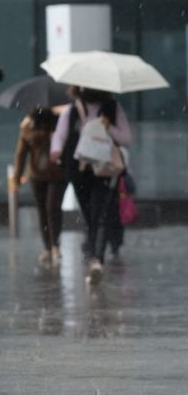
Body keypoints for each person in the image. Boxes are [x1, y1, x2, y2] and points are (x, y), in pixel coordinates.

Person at [49, 87, 132, 283]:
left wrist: (108, 127)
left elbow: (126, 138)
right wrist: (56, 150)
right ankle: (95, 253)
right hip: (78, 170)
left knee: (100, 213)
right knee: (89, 214)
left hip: (104, 169)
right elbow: (60, 135)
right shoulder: (71, 111)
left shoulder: (112, 108)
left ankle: (96, 260)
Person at [11, 106, 67, 266]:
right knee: (42, 210)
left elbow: (68, 142)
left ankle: (55, 244)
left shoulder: (58, 122)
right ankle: (47, 247)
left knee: (52, 207)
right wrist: (16, 178)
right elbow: (21, 153)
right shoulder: (28, 125)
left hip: (57, 173)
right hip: (37, 174)